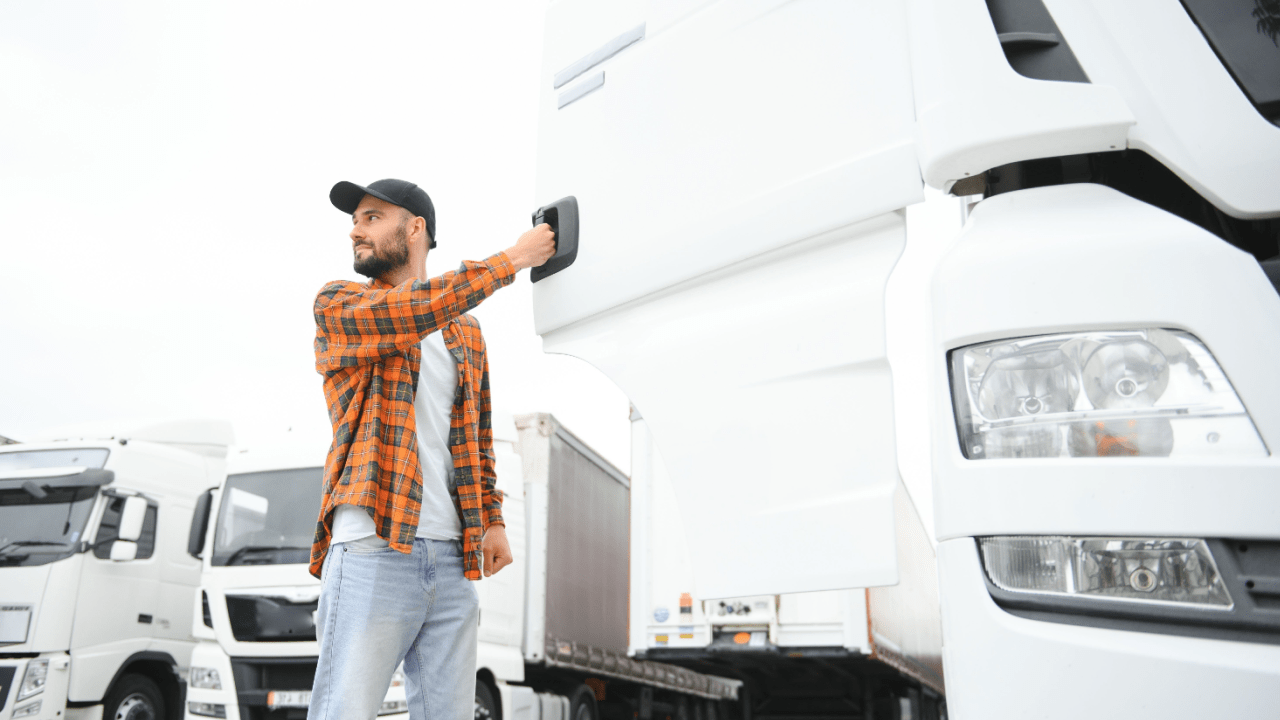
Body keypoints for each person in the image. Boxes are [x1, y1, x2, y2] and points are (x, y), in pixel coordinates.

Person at [307, 178, 555, 720]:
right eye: (354, 221)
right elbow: (413, 311)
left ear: (414, 228)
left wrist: (490, 519)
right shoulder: (339, 305)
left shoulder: (465, 333)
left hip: (449, 559)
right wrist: (514, 258)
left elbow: (473, 437)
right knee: (343, 711)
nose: (355, 230)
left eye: (372, 217)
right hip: (374, 548)